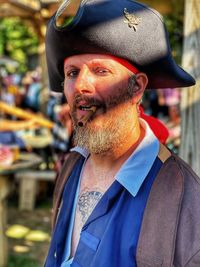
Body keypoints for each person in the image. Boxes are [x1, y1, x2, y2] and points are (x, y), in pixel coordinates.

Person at [44, 0, 200, 266]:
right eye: (72, 73)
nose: (80, 85)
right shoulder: (72, 164)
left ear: (137, 88)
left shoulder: (185, 203)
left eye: (100, 71)